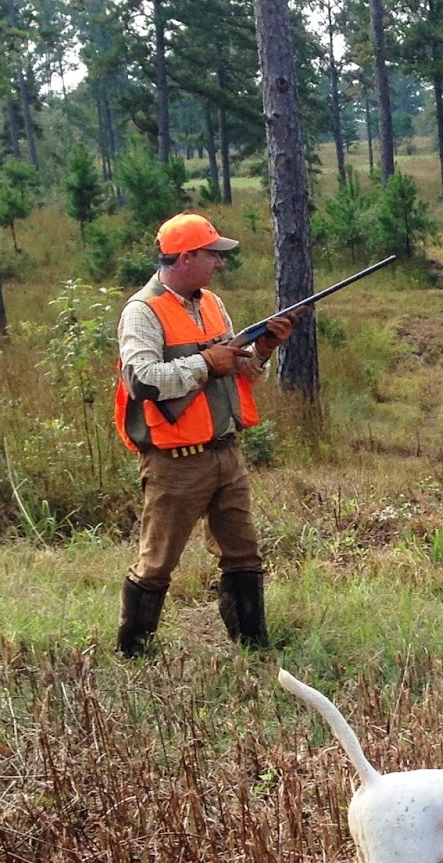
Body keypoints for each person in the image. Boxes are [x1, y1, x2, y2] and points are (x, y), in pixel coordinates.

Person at [113, 211, 302, 657]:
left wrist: (266, 348)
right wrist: (204, 364)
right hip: (174, 463)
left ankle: (254, 650)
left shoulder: (212, 305)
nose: (220, 264)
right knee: (157, 563)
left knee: (244, 555)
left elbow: (241, 372)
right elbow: (139, 380)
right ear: (183, 258)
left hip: (225, 453)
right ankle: (132, 654)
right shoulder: (142, 312)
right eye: (212, 255)